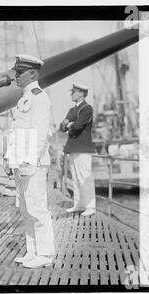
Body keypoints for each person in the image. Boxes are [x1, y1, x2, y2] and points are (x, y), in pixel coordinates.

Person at [5, 54, 55, 269]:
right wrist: (10, 158)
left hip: (32, 163)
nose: (15, 76)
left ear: (32, 73)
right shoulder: (24, 97)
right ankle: (33, 251)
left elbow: (40, 133)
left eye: (19, 73)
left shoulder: (39, 97)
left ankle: (45, 254)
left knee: (38, 209)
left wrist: (29, 161)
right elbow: (17, 132)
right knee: (26, 210)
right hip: (21, 162)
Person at [60, 82, 96, 217]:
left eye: (74, 91)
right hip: (73, 147)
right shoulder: (72, 110)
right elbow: (61, 127)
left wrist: (69, 124)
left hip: (83, 147)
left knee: (85, 177)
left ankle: (90, 206)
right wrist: (69, 125)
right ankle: (79, 204)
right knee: (75, 178)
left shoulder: (87, 108)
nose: (71, 93)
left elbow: (78, 126)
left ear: (81, 93)